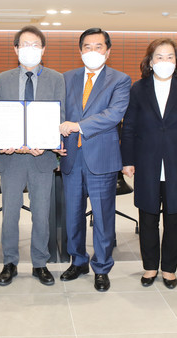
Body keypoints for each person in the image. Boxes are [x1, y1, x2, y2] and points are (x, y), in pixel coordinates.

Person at [121, 38, 177, 289]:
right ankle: (150, 267)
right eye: (159, 56)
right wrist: (127, 160)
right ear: (150, 61)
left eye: (170, 57)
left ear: (176, 61)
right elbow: (129, 127)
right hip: (147, 163)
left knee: (174, 219)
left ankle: (169, 268)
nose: (164, 61)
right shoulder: (138, 88)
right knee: (147, 218)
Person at [58, 27, 131, 292]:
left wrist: (78, 125)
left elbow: (114, 114)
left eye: (98, 46)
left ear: (108, 51)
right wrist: (55, 141)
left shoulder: (120, 80)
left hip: (101, 158)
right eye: (87, 47)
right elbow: (58, 112)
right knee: (73, 216)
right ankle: (78, 261)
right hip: (71, 157)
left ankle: (102, 267)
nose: (92, 51)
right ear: (80, 51)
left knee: (102, 217)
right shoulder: (67, 78)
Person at [0, 26, 65, 287]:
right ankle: (9, 262)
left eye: (35, 44)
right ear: (15, 49)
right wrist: (3, 142)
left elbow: (60, 115)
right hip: (11, 158)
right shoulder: (2, 79)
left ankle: (40, 263)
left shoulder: (56, 78)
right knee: (10, 213)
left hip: (41, 158)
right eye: (24, 44)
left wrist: (46, 143)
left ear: (43, 49)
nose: (30, 49)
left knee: (41, 214)